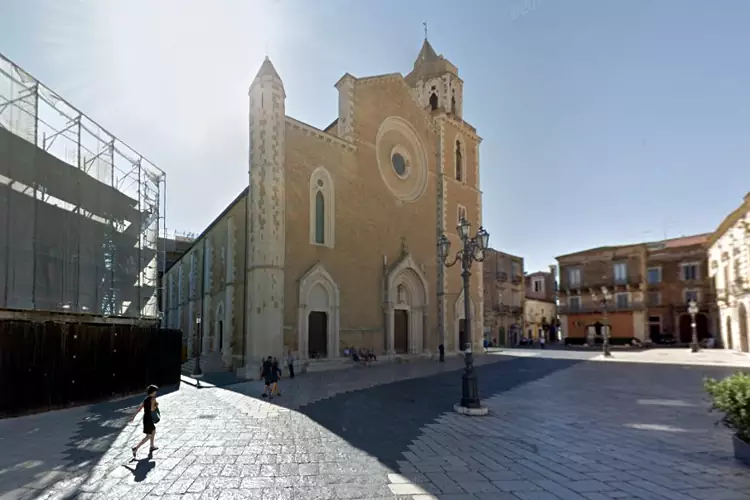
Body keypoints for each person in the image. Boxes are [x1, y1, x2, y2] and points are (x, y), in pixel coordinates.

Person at [130, 385, 159, 458]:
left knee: (153, 431)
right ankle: (135, 448)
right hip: (149, 418)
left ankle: (152, 446)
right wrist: (156, 405)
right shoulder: (153, 399)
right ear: (152, 392)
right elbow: (152, 409)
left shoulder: (146, 399)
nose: (156, 393)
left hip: (145, 418)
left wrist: (134, 416)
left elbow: (140, 408)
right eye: (155, 391)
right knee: (148, 436)